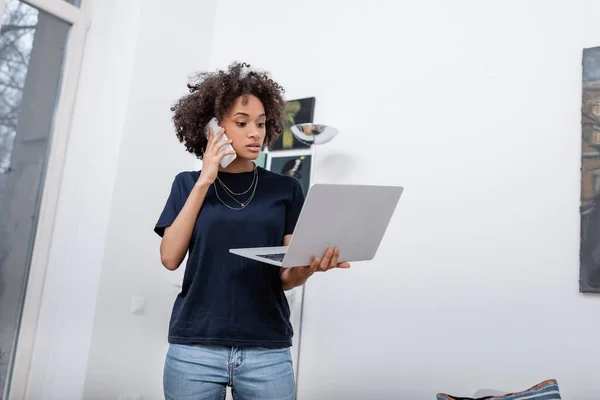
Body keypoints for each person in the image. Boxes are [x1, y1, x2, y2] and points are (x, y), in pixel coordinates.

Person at [154, 62, 350, 400]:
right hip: (195, 347)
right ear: (212, 127)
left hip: (266, 349)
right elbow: (170, 258)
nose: (255, 133)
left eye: (260, 124)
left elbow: (286, 275)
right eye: (242, 123)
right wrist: (205, 179)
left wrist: (308, 267)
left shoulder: (286, 189)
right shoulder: (187, 184)